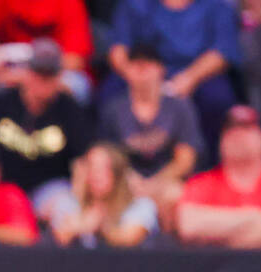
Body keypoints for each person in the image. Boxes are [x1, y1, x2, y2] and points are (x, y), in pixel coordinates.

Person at [105, 0, 242, 157]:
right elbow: (118, 50)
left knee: (217, 98)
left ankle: (209, 163)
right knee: (109, 93)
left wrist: (189, 78)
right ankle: (114, 165)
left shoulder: (216, 7)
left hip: (196, 72)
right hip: (143, 69)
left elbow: (221, 52)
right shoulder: (135, 5)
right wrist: (136, 75)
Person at [0, 38, 92, 219]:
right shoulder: (2, 103)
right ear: (26, 72)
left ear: (60, 77)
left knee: (66, 207)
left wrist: (79, 199)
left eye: (50, 75)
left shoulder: (69, 109)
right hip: (2, 189)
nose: (43, 81)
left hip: (49, 190)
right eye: (38, 73)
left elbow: (82, 161)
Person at [175, 105, 261, 248]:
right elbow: (189, 227)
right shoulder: (201, 183)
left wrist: (221, 235)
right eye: (229, 129)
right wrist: (254, 217)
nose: (237, 135)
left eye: (247, 129)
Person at [99, 42, 201, 230]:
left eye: (147, 65)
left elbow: (185, 159)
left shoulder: (179, 107)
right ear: (126, 70)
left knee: (176, 195)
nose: (141, 71)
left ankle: (170, 253)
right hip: (126, 181)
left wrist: (153, 184)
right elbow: (106, 157)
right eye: (136, 65)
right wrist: (130, 181)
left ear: (160, 69)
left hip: (165, 181)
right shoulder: (114, 110)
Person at [0, 0, 93, 121]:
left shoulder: (69, 3)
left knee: (77, 85)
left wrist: (30, 75)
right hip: (8, 67)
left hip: (52, 71)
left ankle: (60, 139)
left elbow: (76, 60)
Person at [51, 142, 158, 247]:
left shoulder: (141, 205)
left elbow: (129, 239)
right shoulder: (68, 203)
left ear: (118, 173)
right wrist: (80, 226)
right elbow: (61, 238)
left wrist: (102, 227)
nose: (96, 174)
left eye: (104, 168)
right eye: (91, 166)